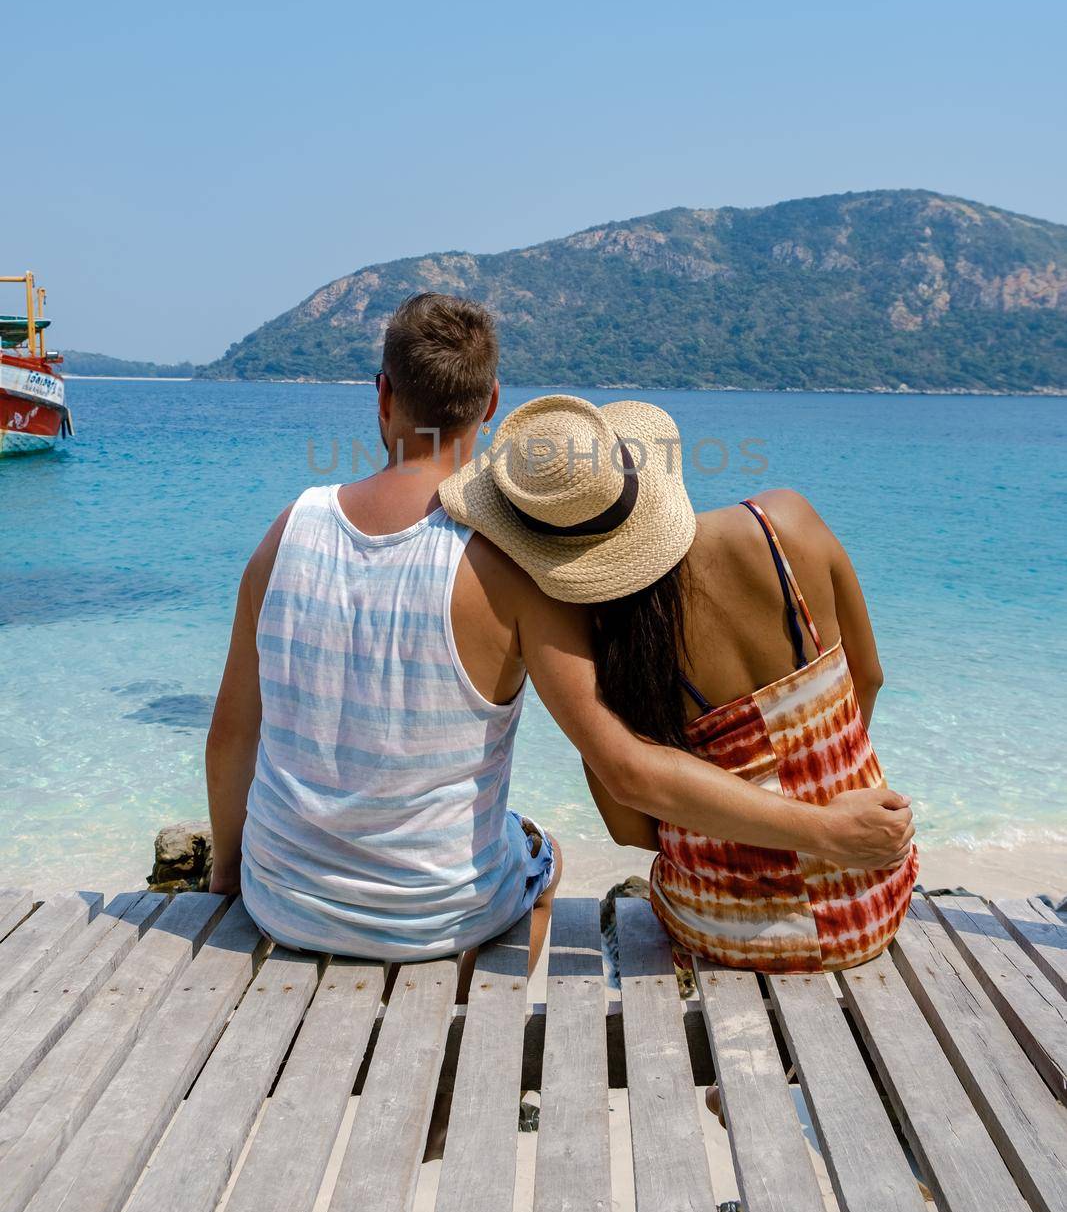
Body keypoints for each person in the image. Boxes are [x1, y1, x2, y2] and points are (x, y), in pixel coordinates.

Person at [207, 295, 913, 983]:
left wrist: (229, 875)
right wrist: (823, 827)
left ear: (383, 394)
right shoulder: (509, 569)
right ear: (489, 405)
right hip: (440, 920)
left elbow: (233, 735)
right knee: (539, 850)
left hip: (283, 907)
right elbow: (627, 768)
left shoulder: (286, 529)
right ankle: (489, 1002)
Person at [439, 391, 918, 974]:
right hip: (872, 895)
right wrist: (815, 794)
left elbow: (632, 829)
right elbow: (868, 677)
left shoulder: (603, 640)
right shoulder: (785, 522)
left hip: (719, 923)